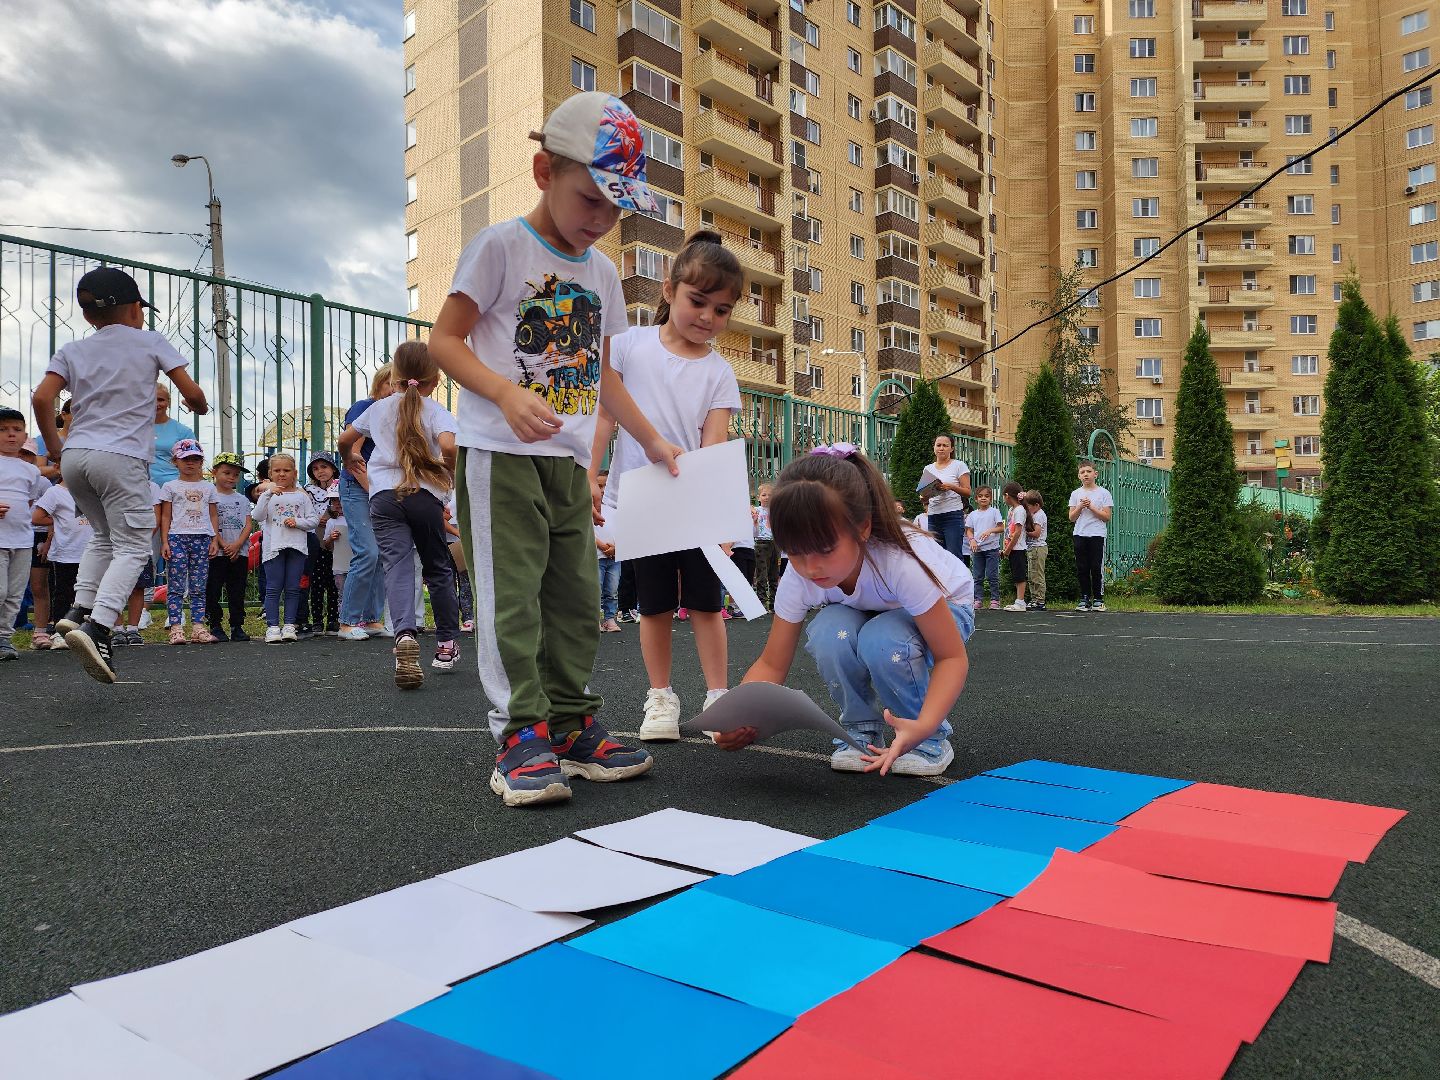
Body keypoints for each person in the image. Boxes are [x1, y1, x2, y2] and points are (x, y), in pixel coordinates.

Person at [428, 90, 683, 807]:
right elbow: (443, 341)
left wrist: (653, 438)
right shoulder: (500, 246)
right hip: (498, 455)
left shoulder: (602, 273)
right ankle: (520, 733)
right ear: (544, 172)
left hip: (568, 464)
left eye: (615, 208)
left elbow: (599, 373)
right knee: (512, 599)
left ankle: (570, 725)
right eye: (590, 199)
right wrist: (506, 395)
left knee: (574, 600)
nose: (600, 220)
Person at [714, 446, 973, 776]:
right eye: (794, 552)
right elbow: (772, 661)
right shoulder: (800, 574)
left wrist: (924, 724)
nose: (811, 567)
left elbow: (951, 657)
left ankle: (930, 740)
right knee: (828, 632)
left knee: (883, 639)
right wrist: (739, 715)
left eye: (824, 549)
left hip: (949, 606)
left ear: (862, 528)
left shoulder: (899, 562)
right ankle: (860, 729)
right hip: (873, 609)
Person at [590, 230, 744, 740]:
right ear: (668, 289)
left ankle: (719, 699)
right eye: (697, 301)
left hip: (692, 503)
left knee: (706, 604)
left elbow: (715, 445)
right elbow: (605, 417)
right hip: (642, 502)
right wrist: (590, 473)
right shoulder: (630, 347)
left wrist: (720, 517)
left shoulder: (720, 372)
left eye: (721, 310)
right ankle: (661, 698)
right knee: (653, 605)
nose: (707, 316)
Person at [32, 267, 209, 682]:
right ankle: (100, 626)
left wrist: (57, 447)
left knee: (103, 536)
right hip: (121, 456)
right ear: (133, 308)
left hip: (75, 458)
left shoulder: (73, 350)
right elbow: (193, 393)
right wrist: (199, 407)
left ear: (90, 315)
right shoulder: (150, 341)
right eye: (141, 310)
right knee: (132, 545)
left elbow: (42, 398)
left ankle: (78, 611)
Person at [339, 341, 461, 689]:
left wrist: (350, 459)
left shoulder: (378, 409)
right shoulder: (437, 411)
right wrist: (447, 471)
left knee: (397, 564)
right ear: (435, 380)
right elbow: (450, 446)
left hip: (383, 497)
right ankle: (446, 645)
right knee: (437, 567)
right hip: (424, 495)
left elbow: (345, 439)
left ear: (394, 378)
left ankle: (404, 635)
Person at [337, 364, 395, 641]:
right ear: (380, 383)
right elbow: (353, 456)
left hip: (379, 488)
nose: (395, 390)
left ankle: (372, 619)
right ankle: (348, 622)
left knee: (382, 554)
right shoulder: (365, 407)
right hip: (359, 488)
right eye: (391, 384)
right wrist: (375, 491)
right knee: (367, 552)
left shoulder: (394, 415)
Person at [250, 453, 318, 643]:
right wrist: (267, 493)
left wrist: (297, 522)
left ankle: (289, 625)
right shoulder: (267, 495)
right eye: (277, 470)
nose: (282, 474)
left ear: (295, 473)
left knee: (293, 588)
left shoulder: (301, 496)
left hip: (297, 546)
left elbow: (313, 521)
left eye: (286, 470)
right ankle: (272, 627)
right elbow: (257, 515)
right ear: (270, 473)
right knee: (273, 588)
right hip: (274, 547)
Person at [158, 438, 220, 643]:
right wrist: (165, 541)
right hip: (177, 537)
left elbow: (213, 515)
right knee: (175, 585)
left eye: (195, 458)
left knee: (199, 585)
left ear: (201, 461)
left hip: (202, 537)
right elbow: (166, 516)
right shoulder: (170, 486)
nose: (190, 463)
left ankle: (198, 627)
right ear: (175, 461)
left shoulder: (208, 488)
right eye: (185, 459)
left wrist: (214, 539)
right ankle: (176, 627)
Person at [0, 409, 49, 661]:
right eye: (3, 429)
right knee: (0, 590)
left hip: (21, 539)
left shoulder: (31, 471)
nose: (10, 435)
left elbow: (29, 501)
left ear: (25, 435)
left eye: (16, 430)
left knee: (15, 593)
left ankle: (4, 638)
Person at [33, 471, 92, 650]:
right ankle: (59, 632)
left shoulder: (91, 491)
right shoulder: (55, 492)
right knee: (63, 593)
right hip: (66, 553)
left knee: (87, 594)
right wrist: (57, 520)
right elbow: (37, 517)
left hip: (90, 552)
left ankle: (84, 632)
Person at [206, 452, 253, 641]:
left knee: (237, 590)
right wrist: (223, 544)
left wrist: (237, 544)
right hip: (217, 553)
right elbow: (209, 521)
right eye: (227, 473)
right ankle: (215, 624)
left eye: (235, 474)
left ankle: (237, 625)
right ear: (214, 472)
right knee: (213, 589)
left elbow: (248, 524)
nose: (231, 477)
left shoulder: (241, 499)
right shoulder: (209, 497)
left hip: (238, 552)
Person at [20, 440, 54, 649]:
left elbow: (54, 514)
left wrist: (50, 539)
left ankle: (41, 630)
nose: (23, 458)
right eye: (20, 454)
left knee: (39, 585)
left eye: (28, 455)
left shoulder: (42, 483)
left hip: (37, 537)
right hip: (10, 536)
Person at [1069, 460, 1113, 612]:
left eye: (1088, 471)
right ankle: (1084, 598)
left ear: (1095, 474)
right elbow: (1071, 517)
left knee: (1096, 567)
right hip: (1080, 534)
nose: (1085, 474)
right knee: (1082, 567)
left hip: (1097, 534)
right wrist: (1081, 506)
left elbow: (1107, 517)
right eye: (1082, 472)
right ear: (1079, 476)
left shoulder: (1103, 493)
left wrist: (1091, 507)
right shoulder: (1076, 494)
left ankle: (1099, 599)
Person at [923, 433, 971, 561]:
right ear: (934, 448)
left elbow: (968, 492)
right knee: (936, 557)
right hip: (933, 516)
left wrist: (951, 487)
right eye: (938, 445)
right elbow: (924, 494)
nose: (941, 448)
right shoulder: (928, 468)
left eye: (945, 445)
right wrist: (924, 497)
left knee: (953, 557)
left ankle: (958, 581)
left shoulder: (959, 465)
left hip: (952, 516)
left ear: (952, 449)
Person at [149, 383, 196, 487]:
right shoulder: (137, 428)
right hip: (143, 488)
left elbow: (195, 464)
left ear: (168, 403)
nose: (156, 404)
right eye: (152, 400)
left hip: (174, 490)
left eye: (161, 400)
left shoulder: (184, 431)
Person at [965, 486, 1004, 610]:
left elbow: (1001, 528)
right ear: (976, 499)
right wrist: (972, 540)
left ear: (991, 499)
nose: (983, 498)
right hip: (978, 549)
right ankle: (978, 599)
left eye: (986, 496)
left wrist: (990, 530)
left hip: (992, 549)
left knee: (992, 575)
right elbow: (969, 530)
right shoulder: (972, 515)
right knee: (977, 576)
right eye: (980, 496)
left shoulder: (994, 512)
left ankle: (995, 600)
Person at [593, 470, 620, 633]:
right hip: (597, 556)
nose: (602, 490)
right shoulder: (589, 507)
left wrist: (616, 547)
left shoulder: (614, 506)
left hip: (615, 556)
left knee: (612, 589)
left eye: (605, 485)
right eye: (599, 485)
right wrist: (603, 547)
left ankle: (610, 619)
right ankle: (594, 619)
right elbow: (588, 530)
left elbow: (621, 528)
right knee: (596, 590)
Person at [999, 481, 1030, 613]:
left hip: (1017, 548)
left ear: (1007, 495)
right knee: (1016, 575)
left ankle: (1021, 601)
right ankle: (1018, 601)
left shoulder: (1019, 511)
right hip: (1012, 548)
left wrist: (1008, 549)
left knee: (1020, 575)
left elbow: (1017, 532)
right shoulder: (1013, 510)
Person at [321, 483, 352, 607]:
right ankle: (343, 621)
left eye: (340, 499)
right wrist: (331, 538)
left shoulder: (357, 519)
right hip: (340, 565)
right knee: (342, 593)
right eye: (334, 500)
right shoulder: (332, 522)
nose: (338, 503)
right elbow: (327, 545)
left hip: (357, 563)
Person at [753, 482, 780, 609]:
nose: (767, 497)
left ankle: (774, 602)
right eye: (764, 495)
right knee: (762, 574)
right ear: (758, 497)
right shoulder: (756, 511)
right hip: (760, 543)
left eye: (770, 495)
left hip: (774, 543)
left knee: (774, 574)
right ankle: (761, 601)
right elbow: (754, 530)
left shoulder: (776, 511)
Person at [1024, 490, 1048, 611]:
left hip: (1038, 548)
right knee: (1031, 574)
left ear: (1037, 505)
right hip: (1032, 548)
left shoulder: (1039, 515)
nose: (1027, 509)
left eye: (1028, 506)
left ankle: (1040, 600)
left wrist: (1024, 532)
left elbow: (1037, 533)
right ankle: (1034, 598)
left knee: (1037, 574)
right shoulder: (1034, 513)